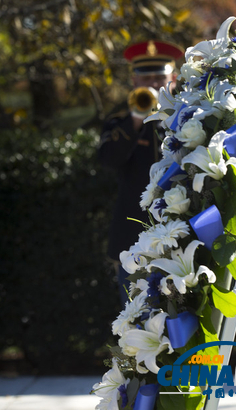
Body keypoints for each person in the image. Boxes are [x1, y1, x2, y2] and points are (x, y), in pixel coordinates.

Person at [98, 40, 184, 302]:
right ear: (134, 82)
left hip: (180, 235)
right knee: (136, 321)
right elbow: (108, 159)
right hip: (133, 240)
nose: (153, 85)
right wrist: (136, 118)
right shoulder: (120, 121)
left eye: (159, 78)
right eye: (145, 79)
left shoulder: (187, 117)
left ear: (174, 78)